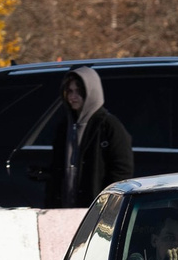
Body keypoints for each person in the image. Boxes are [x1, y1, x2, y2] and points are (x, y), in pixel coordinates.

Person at [52, 66, 134, 207]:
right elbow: (56, 168)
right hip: (65, 210)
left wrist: (108, 203)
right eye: (70, 91)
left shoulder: (109, 125)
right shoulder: (64, 126)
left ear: (90, 92)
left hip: (97, 209)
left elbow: (122, 170)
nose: (73, 97)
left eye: (79, 91)